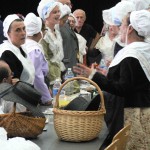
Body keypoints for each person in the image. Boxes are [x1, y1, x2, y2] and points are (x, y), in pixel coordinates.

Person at [73, 10, 150, 150]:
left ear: (131, 28)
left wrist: (94, 75)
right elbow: (134, 81)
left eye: (122, 24)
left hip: (135, 112)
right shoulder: (144, 50)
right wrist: (106, 74)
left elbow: (122, 88)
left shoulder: (132, 54)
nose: (120, 28)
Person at [23, 12, 52, 106]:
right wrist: (46, 97)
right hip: (31, 93)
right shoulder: (34, 50)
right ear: (39, 31)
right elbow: (36, 76)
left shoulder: (24, 45)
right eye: (44, 30)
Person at [0, 14, 35, 84]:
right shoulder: (7, 53)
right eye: (17, 30)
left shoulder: (21, 47)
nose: (23, 33)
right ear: (8, 33)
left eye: (24, 28)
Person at [37, 0, 65, 87]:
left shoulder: (56, 31)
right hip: (49, 78)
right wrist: (54, 79)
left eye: (58, 11)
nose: (58, 14)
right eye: (54, 12)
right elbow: (45, 59)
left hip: (59, 74)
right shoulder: (44, 34)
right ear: (46, 15)